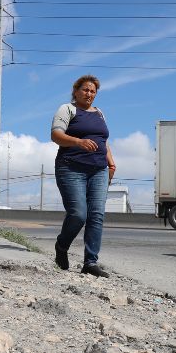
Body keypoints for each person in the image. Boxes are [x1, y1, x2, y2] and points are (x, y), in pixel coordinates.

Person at [50, 75, 116, 277]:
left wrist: (111, 162)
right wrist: (78, 142)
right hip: (71, 168)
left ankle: (90, 262)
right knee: (79, 214)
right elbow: (56, 135)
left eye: (93, 91)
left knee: (96, 216)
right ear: (76, 90)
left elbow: (103, 141)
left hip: (99, 170)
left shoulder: (100, 113)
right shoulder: (67, 109)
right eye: (85, 90)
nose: (89, 94)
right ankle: (61, 247)